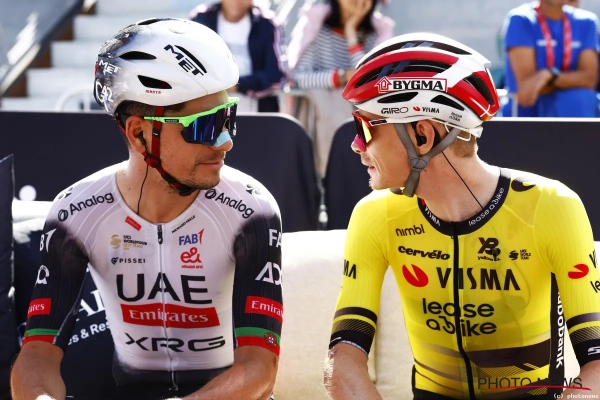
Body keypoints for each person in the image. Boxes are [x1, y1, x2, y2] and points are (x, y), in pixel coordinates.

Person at [10, 18, 283, 400]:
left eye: (229, 118)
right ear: (139, 133)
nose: (225, 142)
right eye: (206, 126)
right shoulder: (75, 212)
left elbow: (260, 370)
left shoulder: (251, 209)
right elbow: (37, 355)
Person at [323, 32, 600, 399]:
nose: (356, 146)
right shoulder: (375, 214)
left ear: (422, 135)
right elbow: (344, 358)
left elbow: (597, 365)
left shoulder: (551, 206)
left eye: (364, 127)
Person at [287, 0, 394, 176]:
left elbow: (371, 79)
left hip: (367, 128)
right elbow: (299, 77)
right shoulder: (318, 30)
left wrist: (351, 35)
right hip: (324, 126)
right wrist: (341, 77)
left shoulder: (377, 35)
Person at [502, 0, 599, 117]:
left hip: (575, 117)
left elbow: (589, 80)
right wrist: (571, 81)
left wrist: (549, 75)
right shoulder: (521, 19)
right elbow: (527, 88)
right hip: (525, 118)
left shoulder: (587, 21)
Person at [190, 0, 286, 113]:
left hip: (257, 113)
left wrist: (237, 86)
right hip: (206, 112)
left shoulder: (267, 24)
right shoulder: (200, 18)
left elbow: (276, 75)